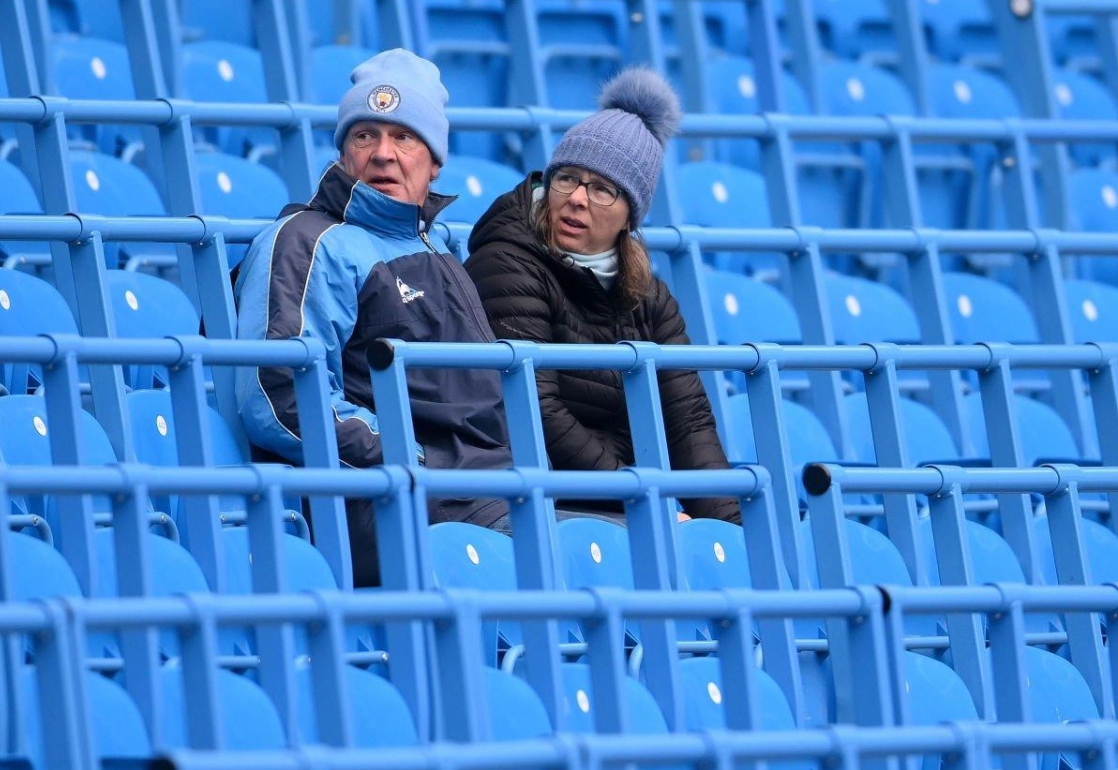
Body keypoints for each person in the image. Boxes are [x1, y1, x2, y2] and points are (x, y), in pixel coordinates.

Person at [234, 48, 511, 585]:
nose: (383, 155)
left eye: (404, 137)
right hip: (386, 500)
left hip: (479, 489)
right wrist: (416, 459)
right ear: (342, 154)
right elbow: (278, 397)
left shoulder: (436, 249)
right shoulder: (308, 242)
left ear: (435, 162)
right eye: (365, 136)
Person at [464, 67, 741, 525]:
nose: (577, 199)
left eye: (602, 189)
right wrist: (641, 498)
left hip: (615, 495)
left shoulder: (647, 293)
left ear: (630, 216)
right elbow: (536, 411)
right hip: (536, 492)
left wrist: (729, 532)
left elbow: (687, 420)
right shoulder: (506, 263)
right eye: (567, 178)